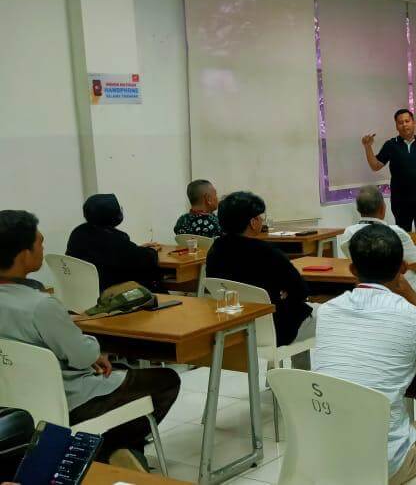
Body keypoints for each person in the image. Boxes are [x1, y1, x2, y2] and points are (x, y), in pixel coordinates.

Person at [0, 210, 180, 472]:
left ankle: (113, 452)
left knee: (125, 375)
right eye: (39, 242)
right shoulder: (41, 307)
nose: (43, 246)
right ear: (23, 253)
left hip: (16, 403)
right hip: (70, 401)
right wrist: (96, 350)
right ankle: (111, 450)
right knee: (165, 381)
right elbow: (82, 357)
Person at [313, 225, 416, 484]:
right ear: (403, 267)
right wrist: (410, 292)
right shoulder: (411, 317)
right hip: (384, 461)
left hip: (325, 454)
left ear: (353, 269)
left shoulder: (327, 311)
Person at [205, 191, 316, 348]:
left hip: (233, 329)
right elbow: (301, 291)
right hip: (277, 329)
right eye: (259, 216)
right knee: (325, 316)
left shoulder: (215, 250)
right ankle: (300, 372)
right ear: (253, 222)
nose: (261, 220)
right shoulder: (267, 252)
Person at [341, 186, 416, 317]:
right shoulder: (395, 233)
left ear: (359, 209)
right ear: (383, 209)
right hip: (403, 283)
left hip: (367, 283)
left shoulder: (348, 233)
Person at [66, 194, 163, 293]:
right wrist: (152, 251)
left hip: (84, 293)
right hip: (113, 296)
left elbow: (108, 256)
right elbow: (145, 261)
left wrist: (136, 249)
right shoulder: (115, 238)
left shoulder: (78, 233)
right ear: (112, 214)